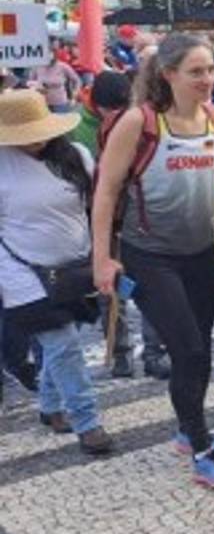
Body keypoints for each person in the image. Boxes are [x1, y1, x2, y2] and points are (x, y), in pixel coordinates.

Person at [91, 34, 214, 489]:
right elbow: (106, 193)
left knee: (201, 350)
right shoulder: (139, 122)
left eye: (211, 69)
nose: (207, 79)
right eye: (195, 72)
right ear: (168, 74)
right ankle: (203, 446)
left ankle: (188, 428)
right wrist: (102, 261)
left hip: (200, 253)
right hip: (149, 255)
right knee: (187, 349)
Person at [0, 90, 114, 455]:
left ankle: (50, 407)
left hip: (76, 268)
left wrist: (105, 254)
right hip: (21, 272)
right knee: (64, 344)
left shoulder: (76, 156)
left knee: (62, 345)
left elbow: (97, 205)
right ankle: (87, 421)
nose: (33, 140)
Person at [70, 72, 170, 380]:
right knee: (109, 289)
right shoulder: (75, 129)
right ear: (93, 104)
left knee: (151, 286)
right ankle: (121, 352)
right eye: (108, 110)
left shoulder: (137, 119)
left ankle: (155, 352)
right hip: (99, 217)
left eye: (120, 108)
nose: (114, 116)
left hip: (139, 216)